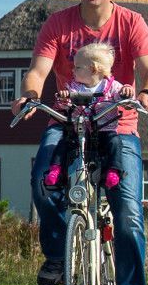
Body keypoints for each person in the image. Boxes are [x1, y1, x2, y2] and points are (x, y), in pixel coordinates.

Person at [12, 0, 148, 285]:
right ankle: (60, 252)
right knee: (43, 181)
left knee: (127, 212)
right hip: (70, 119)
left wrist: (146, 93)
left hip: (117, 122)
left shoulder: (131, 23)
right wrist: (29, 95)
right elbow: (38, 72)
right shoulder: (58, 25)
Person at [42, 41, 133, 191]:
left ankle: (113, 171)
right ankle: (56, 170)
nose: (73, 70)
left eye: (77, 67)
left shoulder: (113, 87)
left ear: (93, 69)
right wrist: (64, 98)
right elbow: (65, 106)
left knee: (115, 143)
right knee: (63, 143)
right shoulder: (73, 87)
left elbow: (125, 100)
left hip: (104, 131)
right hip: (79, 131)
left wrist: (127, 92)